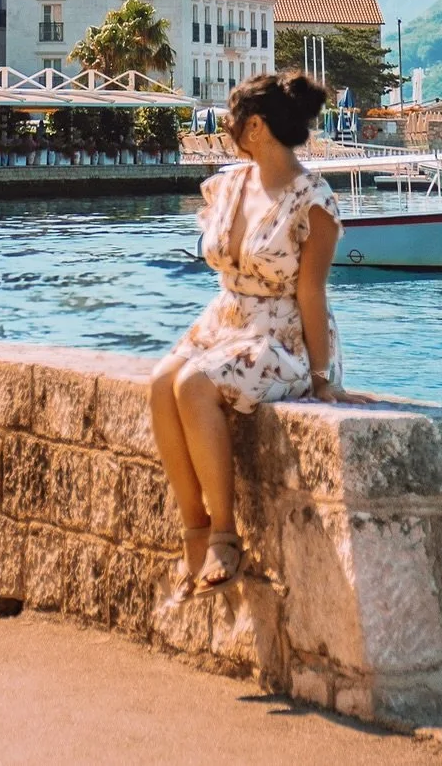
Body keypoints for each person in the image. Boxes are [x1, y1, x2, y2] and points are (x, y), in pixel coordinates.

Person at [150, 71, 345, 601]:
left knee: (193, 384)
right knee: (159, 382)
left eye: (232, 120)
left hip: (284, 335)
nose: (227, 129)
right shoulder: (229, 185)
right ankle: (193, 528)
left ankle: (224, 535)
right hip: (225, 318)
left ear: (255, 126)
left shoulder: (313, 203)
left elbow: (311, 295)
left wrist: (322, 377)